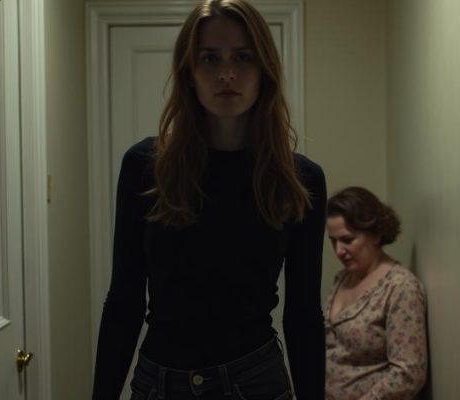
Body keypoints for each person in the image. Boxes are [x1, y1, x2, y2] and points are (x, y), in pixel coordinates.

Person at [91, 1, 326, 399]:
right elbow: (124, 300)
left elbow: (303, 313)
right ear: (189, 72)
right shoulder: (146, 167)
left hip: (254, 382)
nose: (227, 73)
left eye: (243, 57)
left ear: (265, 70)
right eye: (210, 58)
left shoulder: (298, 179)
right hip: (159, 384)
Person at [324, 187, 428, 400]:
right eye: (333, 241)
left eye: (347, 240)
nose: (339, 251)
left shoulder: (400, 287)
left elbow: (408, 373)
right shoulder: (343, 278)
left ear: (375, 234)